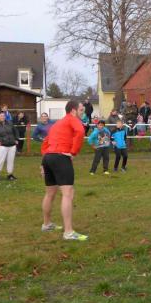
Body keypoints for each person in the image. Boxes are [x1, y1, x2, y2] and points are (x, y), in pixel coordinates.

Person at [41, 100, 87, 240]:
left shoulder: (57, 123)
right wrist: (73, 152)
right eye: (81, 110)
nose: (83, 113)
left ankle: (46, 224)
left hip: (48, 157)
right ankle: (68, 232)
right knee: (68, 193)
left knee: (50, 193)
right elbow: (80, 131)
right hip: (60, 157)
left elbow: (45, 142)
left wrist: (43, 163)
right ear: (73, 110)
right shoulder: (73, 120)